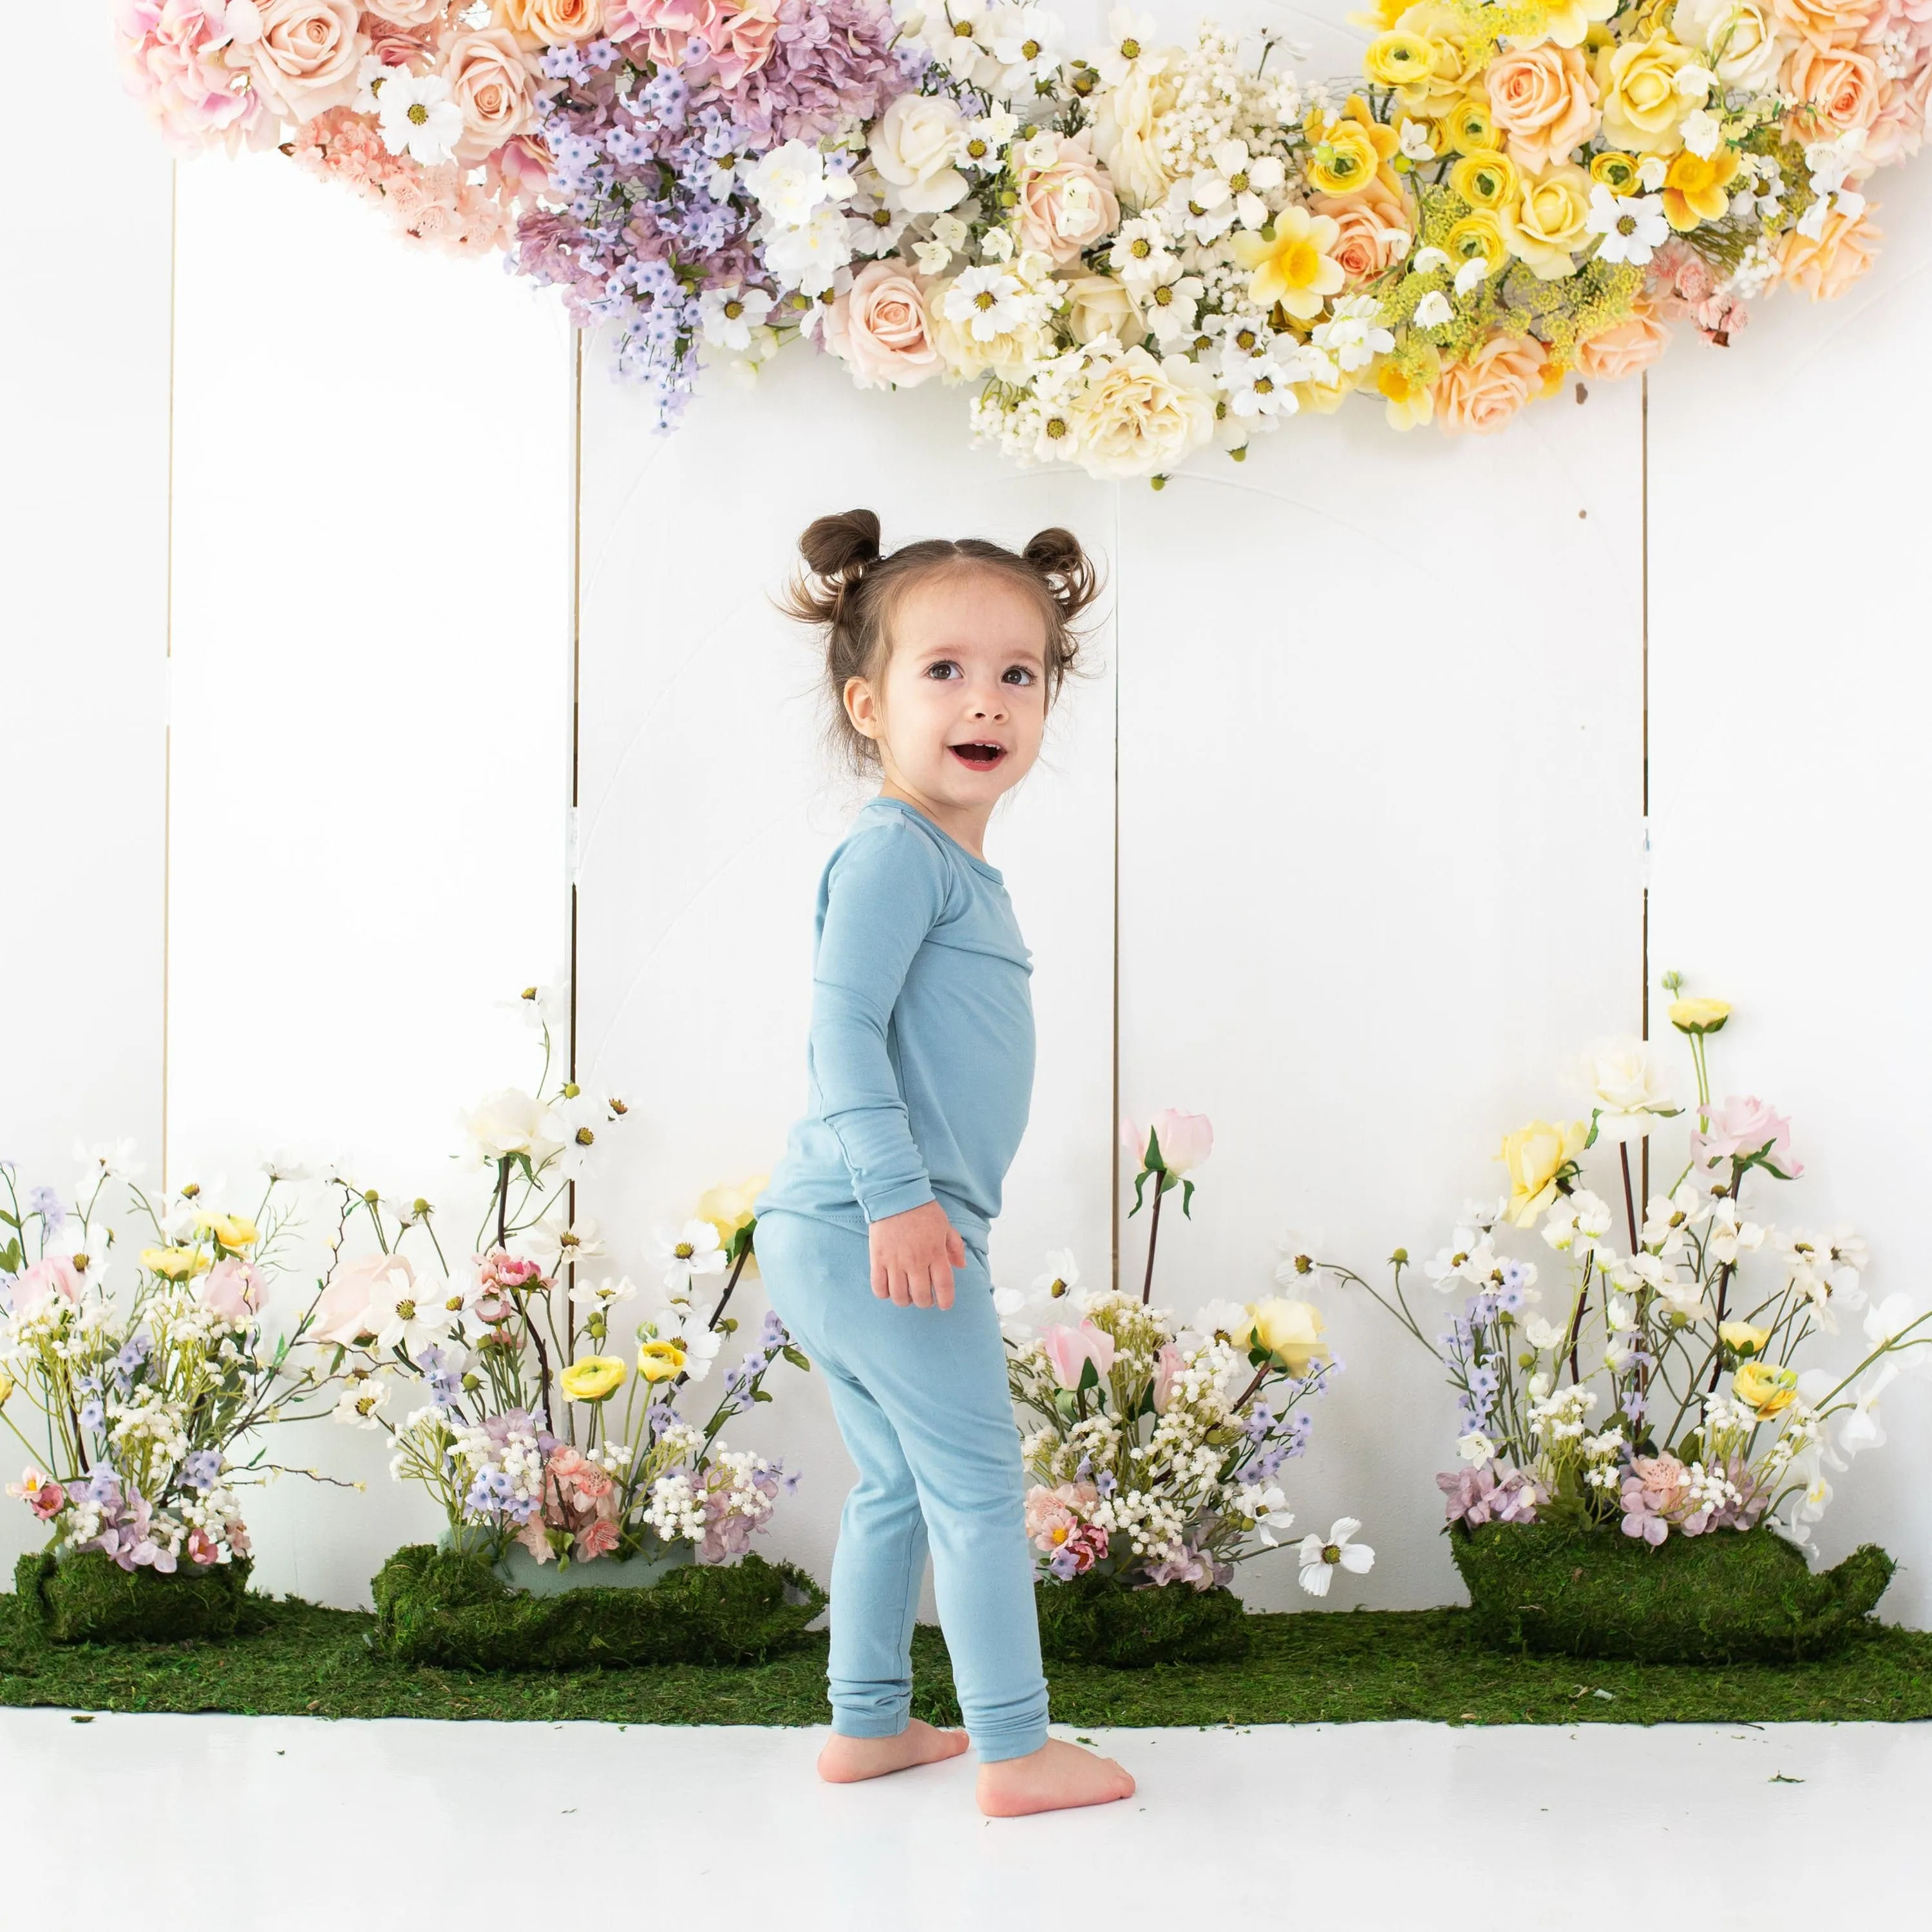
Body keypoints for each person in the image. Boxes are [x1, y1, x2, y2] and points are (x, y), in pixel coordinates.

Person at [753, 509, 1135, 1818]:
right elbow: (841, 1032)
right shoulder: (892, 855)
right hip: (876, 1220)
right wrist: (904, 1202)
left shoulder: (948, 866)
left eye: (1017, 673)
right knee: (977, 1483)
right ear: (867, 704)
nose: (987, 700)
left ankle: (866, 1724)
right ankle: (1016, 1750)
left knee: (901, 1479)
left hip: (841, 1226)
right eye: (944, 671)